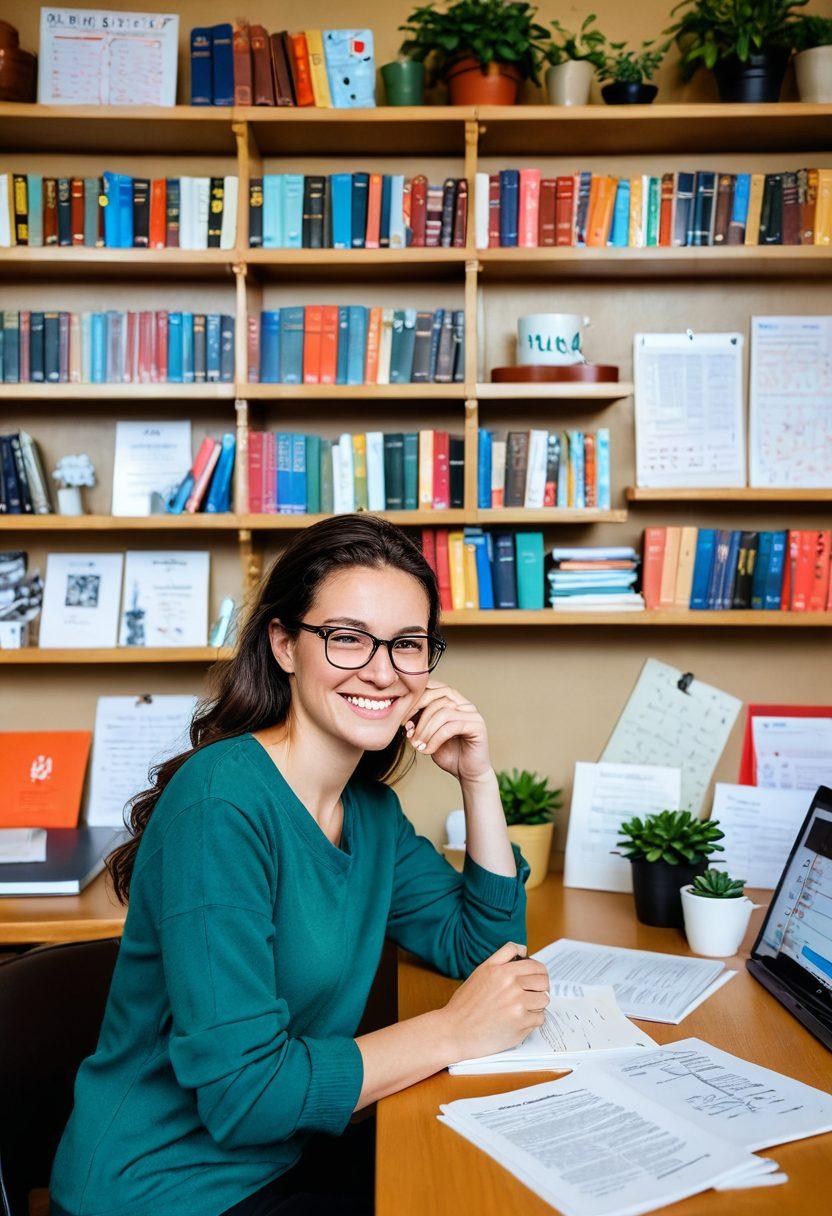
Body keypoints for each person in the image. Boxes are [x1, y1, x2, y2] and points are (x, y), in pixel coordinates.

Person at [49, 514, 550, 1216]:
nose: (382, 671)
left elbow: (484, 951)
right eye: (347, 638)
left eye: (407, 645)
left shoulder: (369, 811)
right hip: (166, 1189)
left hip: (285, 1151)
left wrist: (478, 778)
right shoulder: (220, 806)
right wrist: (453, 1031)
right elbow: (244, 1095)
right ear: (284, 644)